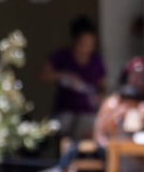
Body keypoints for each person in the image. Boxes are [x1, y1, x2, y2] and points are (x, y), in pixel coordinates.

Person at [39, 16, 107, 147]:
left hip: (88, 113)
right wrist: (63, 75)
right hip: (65, 112)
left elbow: (102, 87)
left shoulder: (96, 60)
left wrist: (99, 97)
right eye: (83, 44)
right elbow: (42, 74)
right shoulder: (61, 56)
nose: (87, 48)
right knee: (60, 132)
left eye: (90, 44)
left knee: (92, 132)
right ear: (74, 41)